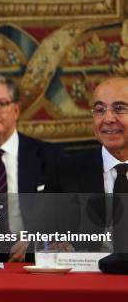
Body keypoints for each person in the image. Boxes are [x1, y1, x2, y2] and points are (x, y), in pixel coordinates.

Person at [0, 71, 63, 260]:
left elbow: (64, 216)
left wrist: (36, 240)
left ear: (16, 109)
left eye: (1, 103)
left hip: (33, 261)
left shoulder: (51, 157)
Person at [46, 77, 128, 252]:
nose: (108, 119)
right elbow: (41, 237)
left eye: (119, 108)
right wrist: (53, 246)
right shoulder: (64, 171)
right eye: (100, 110)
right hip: (86, 275)